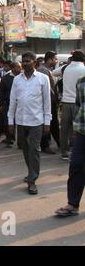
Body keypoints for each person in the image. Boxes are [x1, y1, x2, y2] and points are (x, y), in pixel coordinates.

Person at [8, 52, 51, 195]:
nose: (25, 63)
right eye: (23, 61)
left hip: (36, 121)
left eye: (28, 61)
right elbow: (12, 101)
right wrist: (10, 120)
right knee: (25, 150)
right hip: (21, 121)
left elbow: (47, 102)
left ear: (34, 63)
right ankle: (31, 171)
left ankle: (32, 180)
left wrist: (47, 121)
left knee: (34, 150)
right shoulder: (17, 80)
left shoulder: (43, 79)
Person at [55, 74, 85, 217]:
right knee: (76, 166)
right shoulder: (81, 81)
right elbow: (79, 105)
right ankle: (73, 204)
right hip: (82, 133)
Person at [59, 50, 85, 161]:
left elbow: (54, 73)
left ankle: (64, 152)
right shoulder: (83, 69)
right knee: (77, 129)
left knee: (64, 129)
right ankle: (75, 153)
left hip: (65, 102)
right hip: (77, 103)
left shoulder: (65, 68)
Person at [37, 51, 60, 154]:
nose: (56, 61)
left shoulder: (47, 70)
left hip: (51, 101)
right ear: (49, 59)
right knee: (49, 123)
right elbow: (47, 89)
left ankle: (60, 143)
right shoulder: (43, 71)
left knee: (53, 123)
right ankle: (45, 145)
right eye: (55, 59)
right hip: (47, 102)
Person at [0, 62, 21, 148]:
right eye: (18, 67)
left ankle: (21, 141)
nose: (20, 69)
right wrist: (0, 104)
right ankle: (10, 138)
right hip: (8, 103)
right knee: (9, 121)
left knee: (21, 122)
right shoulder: (6, 78)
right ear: (13, 68)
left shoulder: (23, 77)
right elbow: (1, 92)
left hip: (21, 104)